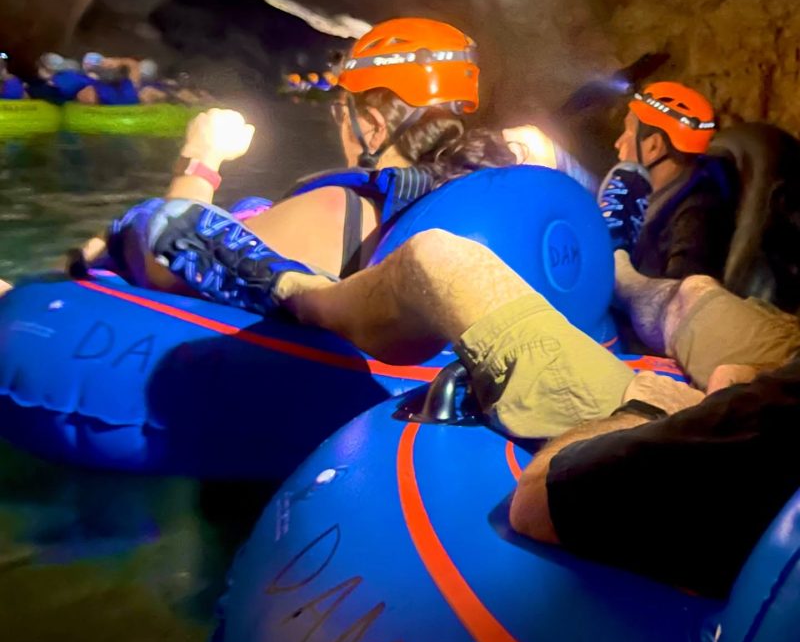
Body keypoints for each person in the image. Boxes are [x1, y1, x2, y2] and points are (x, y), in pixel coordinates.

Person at [226, 227, 799, 598]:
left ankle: (288, 288)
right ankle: (618, 269)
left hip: (769, 404)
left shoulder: (772, 425)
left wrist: (675, 402)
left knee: (440, 259)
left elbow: (548, 497)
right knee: (694, 292)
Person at [87, 17, 515, 292]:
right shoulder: (487, 198)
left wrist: (201, 159)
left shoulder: (339, 211)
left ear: (372, 125)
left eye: (341, 110)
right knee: (252, 209)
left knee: (122, 235)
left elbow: (169, 263)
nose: (339, 123)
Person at [600, 82, 737, 280]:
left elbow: (680, 299)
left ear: (654, 147)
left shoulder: (695, 219)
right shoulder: (650, 194)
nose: (618, 143)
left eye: (628, 133)